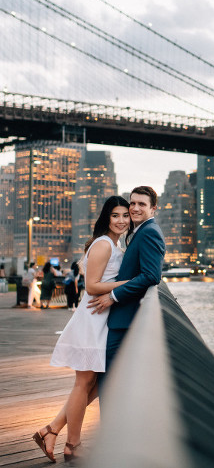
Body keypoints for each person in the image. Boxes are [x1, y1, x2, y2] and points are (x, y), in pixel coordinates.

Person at [32, 196, 131, 463]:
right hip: (92, 319)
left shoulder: (113, 244)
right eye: (115, 215)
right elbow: (92, 286)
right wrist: (131, 282)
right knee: (84, 382)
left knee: (94, 383)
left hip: (101, 320)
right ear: (106, 218)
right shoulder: (103, 244)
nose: (121, 220)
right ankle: (72, 444)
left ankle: (50, 430)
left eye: (125, 215)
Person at [88, 186, 165, 379]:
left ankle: (109, 411)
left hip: (124, 319)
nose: (135, 208)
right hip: (119, 318)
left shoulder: (149, 232)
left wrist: (113, 296)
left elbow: (151, 276)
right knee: (105, 377)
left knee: (108, 379)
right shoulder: (140, 232)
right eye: (133, 203)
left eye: (142, 204)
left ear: (153, 208)